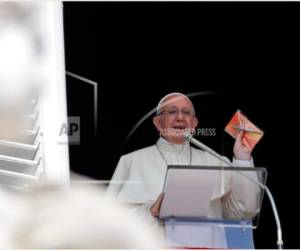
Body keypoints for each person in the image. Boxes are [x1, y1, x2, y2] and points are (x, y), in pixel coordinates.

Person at [106, 92, 260, 248]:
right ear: (158, 122)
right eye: (172, 111)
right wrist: (150, 211)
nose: (180, 117)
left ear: (194, 124)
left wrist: (242, 159)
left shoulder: (216, 161)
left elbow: (244, 212)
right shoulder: (132, 161)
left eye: (186, 113)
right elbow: (108, 221)